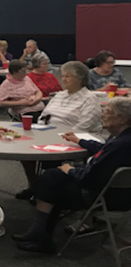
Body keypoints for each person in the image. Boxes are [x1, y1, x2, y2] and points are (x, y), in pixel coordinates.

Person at [12, 97, 131, 254]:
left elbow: (88, 177)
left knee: (51, 183)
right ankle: (40, 233)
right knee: (52, 178)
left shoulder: (120, 144)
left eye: (108, 112)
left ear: (122, 119)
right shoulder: (122, 139)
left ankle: (41, 234)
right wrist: (80, 141)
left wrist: (70, 170)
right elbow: (104, 151)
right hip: (119, 192)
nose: (102, 115)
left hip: (107, 197)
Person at [15, 61, 103, 201]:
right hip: (48, 134)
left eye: (68, 76)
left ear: (80, 78)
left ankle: (46, 191)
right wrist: (42, 131)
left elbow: (83, 126)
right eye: (63, 76)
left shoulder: (90, 99)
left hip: (74, 139)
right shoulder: (60, 95)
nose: (64, 79)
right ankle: (34, 185)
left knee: (50, 156)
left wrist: (60, 138)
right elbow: (44, 116)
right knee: (25, 151)